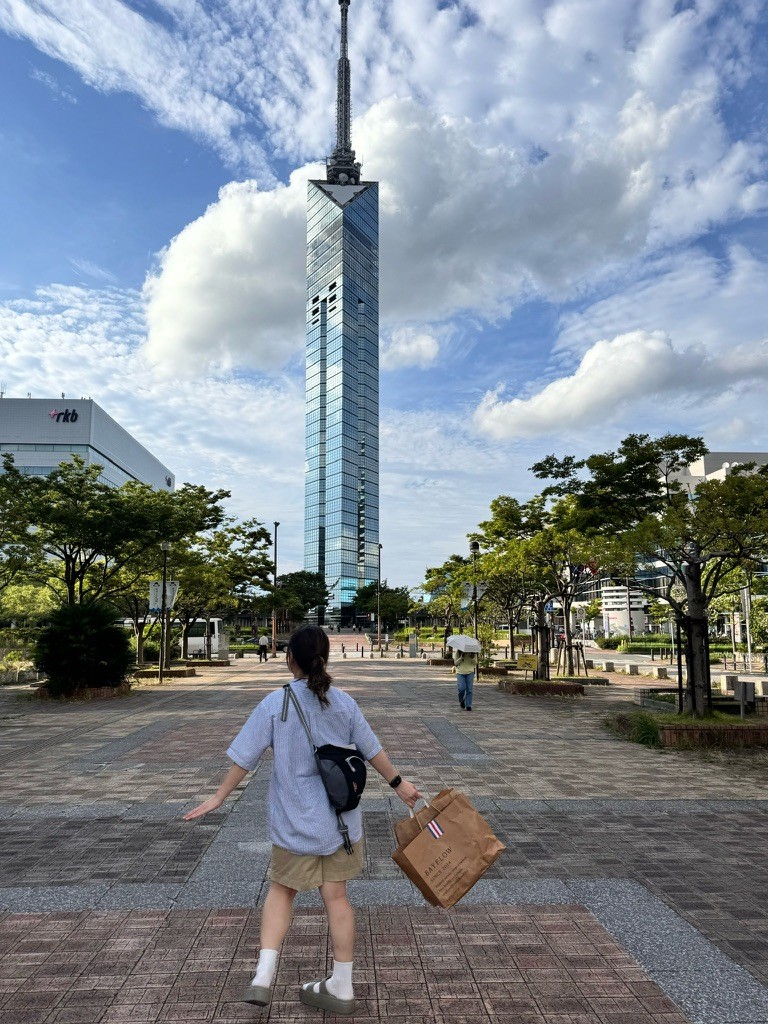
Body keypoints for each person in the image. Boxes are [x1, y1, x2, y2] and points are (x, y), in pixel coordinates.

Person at [184, 625, 420, 1016]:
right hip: (340, 823)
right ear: (325, 657)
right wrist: (400, 784)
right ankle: (342, 985)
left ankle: (263, 976)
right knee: (337, 899)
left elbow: (245, 757)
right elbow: (372, 749)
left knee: (281, 891)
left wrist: (219, 796)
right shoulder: (343, 703)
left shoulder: (275, 704)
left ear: (289, 657)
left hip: (295, 821)